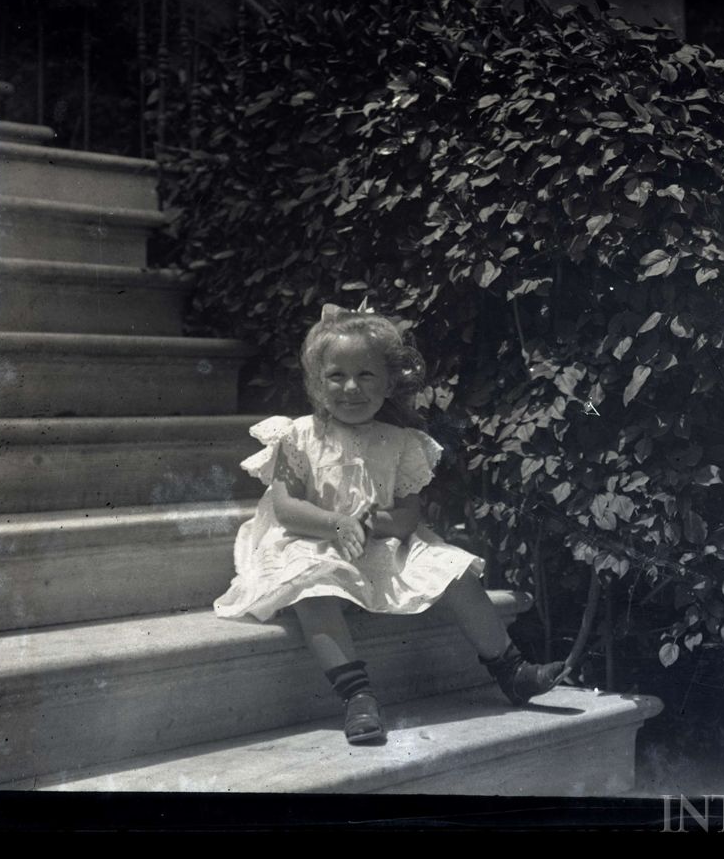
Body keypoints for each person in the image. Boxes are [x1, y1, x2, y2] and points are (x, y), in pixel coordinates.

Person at [214, 303, 565, 744]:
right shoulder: (298, 436)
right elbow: (287, 509)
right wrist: (338, 523)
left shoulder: (401, 443)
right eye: (336, 376)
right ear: (317, 384)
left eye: (366, 375)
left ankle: (511, 670)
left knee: (452, 570)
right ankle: (357, 696)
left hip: (380, 541)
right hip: (311, 537)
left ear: (388, 383)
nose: (351, 387)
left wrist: (375, 522)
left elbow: (407, 516)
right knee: (311, 587)